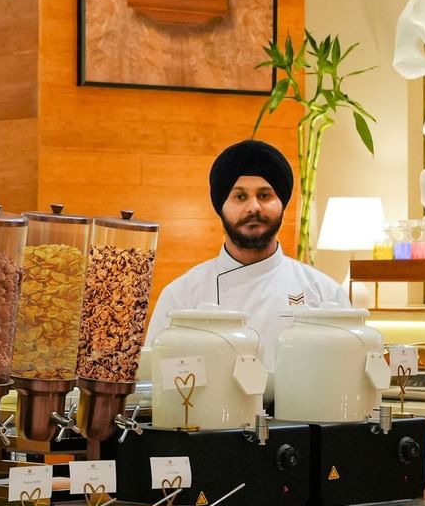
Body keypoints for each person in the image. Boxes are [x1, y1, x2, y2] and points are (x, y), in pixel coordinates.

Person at [145, 137, 350, 369]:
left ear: (282, 204)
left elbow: (346, 375)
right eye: (240, 196)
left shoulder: (325, 293)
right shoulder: (181, 297)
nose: (253, 207)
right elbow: (156, 379)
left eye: (264, 195)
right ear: (221, 206)